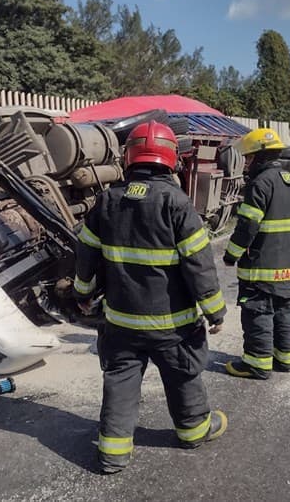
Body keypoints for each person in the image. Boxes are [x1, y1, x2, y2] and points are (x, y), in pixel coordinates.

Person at [74, 120, 228, 474]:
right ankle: (193, 430)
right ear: (170, 158)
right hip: (172, 324)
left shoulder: (108, 201)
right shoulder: (176, 202)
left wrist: (83, 295)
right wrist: (215, 311)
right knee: (182, 375)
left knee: (120, 379)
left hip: (121, 322)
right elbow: (199, 264)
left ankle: (113, 453)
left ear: (129, 157)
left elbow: (86, 257)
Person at [222, 128, 290, 380]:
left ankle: (257, 364)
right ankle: (285, 358)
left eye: (248, 158)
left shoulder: (260, 184)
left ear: (259, 156)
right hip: (289, 266)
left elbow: (247, 226)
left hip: (261, 268)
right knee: (283, 310)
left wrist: (231, 255)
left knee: (258, 311)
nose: (246, 163)